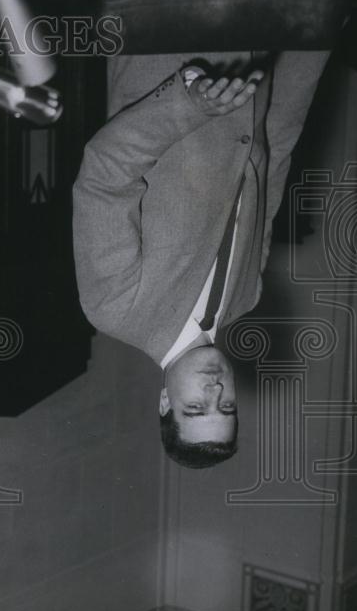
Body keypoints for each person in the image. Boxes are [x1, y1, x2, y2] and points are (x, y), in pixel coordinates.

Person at [72, 51, 329, 468]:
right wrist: (312, 47)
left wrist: (189, 105)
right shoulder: (246, 296)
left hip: (168, 50)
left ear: (164, 401)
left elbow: (105, 172)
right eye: (226, 407)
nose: (215, 390)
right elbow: (275, 152)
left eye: (195, 408)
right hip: (259, 46)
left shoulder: (114, 309)